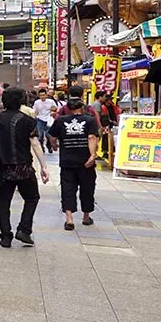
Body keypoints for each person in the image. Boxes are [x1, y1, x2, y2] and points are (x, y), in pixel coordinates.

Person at [0, 87, 50, 247]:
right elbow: (35, 143)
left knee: (3, 203)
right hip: (24, 167)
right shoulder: (27, 120)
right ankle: (24, 229)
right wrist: (44, 166)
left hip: (2, 167)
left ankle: (6, 236)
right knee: (32, 197)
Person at [49, 97, 100, 230]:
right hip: (85, 162)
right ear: (82, 107)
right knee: (87, 188)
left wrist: (54, 145)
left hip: (67, 161)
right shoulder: (90, 120)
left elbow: (52, 137)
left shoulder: (60, 120)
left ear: (68, 109)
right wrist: (92, 155)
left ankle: (69, 219)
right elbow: (92, 137)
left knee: (67, 189)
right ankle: (86, 217)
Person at [32, 89, 59, 153]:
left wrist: (53, 113)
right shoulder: (37, 102)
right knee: (40, 135)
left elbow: (55, 108)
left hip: (49, 119)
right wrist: (35, 116)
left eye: (43, 95)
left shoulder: (51, 101)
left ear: (46, 95)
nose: (42, 97)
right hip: (40, 119)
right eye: (41, 95)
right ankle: (41, 148)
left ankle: (49, 146)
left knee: (48, 134)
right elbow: (34, 110)